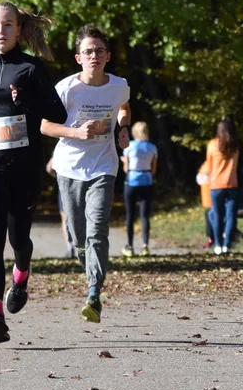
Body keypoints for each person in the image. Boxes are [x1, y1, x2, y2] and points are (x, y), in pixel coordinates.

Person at [0, 1, 67, 344]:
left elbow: (59, 113)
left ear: (19, 30)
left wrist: (26, 102)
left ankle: (20, 277)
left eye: (7, 26)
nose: (0, 32)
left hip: (24, 166)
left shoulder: (32, 68)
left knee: (18, 239)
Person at [41, 25, 130, 323]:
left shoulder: (118, 85)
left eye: (99, 51)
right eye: (88, 51)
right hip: (69, 168)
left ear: (108, 56)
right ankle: (86, 261)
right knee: (77, 234)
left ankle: (94, 291)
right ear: (78, 58)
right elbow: (44, 125)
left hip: (104, 165)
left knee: (98, 228)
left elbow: (123, 107)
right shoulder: (66, 88)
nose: (94, 55)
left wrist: (124, 128)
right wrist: (76, 132)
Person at [204, 118, 241, 254]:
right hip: (232, 184)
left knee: (217, 215)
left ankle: (218, 245)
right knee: (231, 215)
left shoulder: (213, 145)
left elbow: (209, 165)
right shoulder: (235, 146)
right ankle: (227, 244)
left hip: (216, 185)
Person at [120, 121, 157, 257]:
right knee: (145, 215)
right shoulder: (152, 147)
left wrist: (124, 162)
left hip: (132, 180)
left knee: (130, 215)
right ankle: (145, 246)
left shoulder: (129, 146)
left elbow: (126, 169)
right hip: (147, 180)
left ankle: (130, 246)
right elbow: (154, 169)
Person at [45, 158, 75, 258]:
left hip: (64, 186)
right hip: (81, 184)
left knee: (65, 218)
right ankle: (81, 247)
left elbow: (49, 168)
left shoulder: (61, 146)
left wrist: (58, 177)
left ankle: (70, 247)